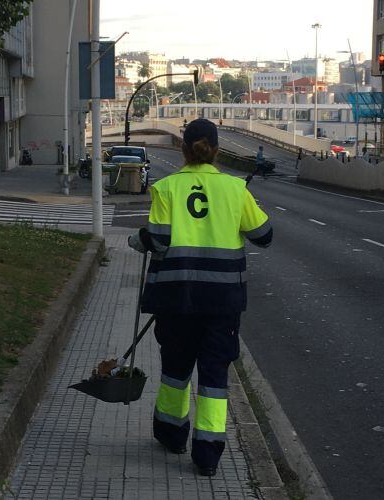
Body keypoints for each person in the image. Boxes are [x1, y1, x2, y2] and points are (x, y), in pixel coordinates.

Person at [128, 118, 273, 477]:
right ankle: (207, 454)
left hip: (176, 298)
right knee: (214, 376)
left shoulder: (166, 188)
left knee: (176, 371)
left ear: (183, 148)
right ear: (217, 150)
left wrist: (139, 240)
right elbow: (264, 235)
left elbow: (158, 240)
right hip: (222, 302)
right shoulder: (235, 189)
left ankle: (172, 433)